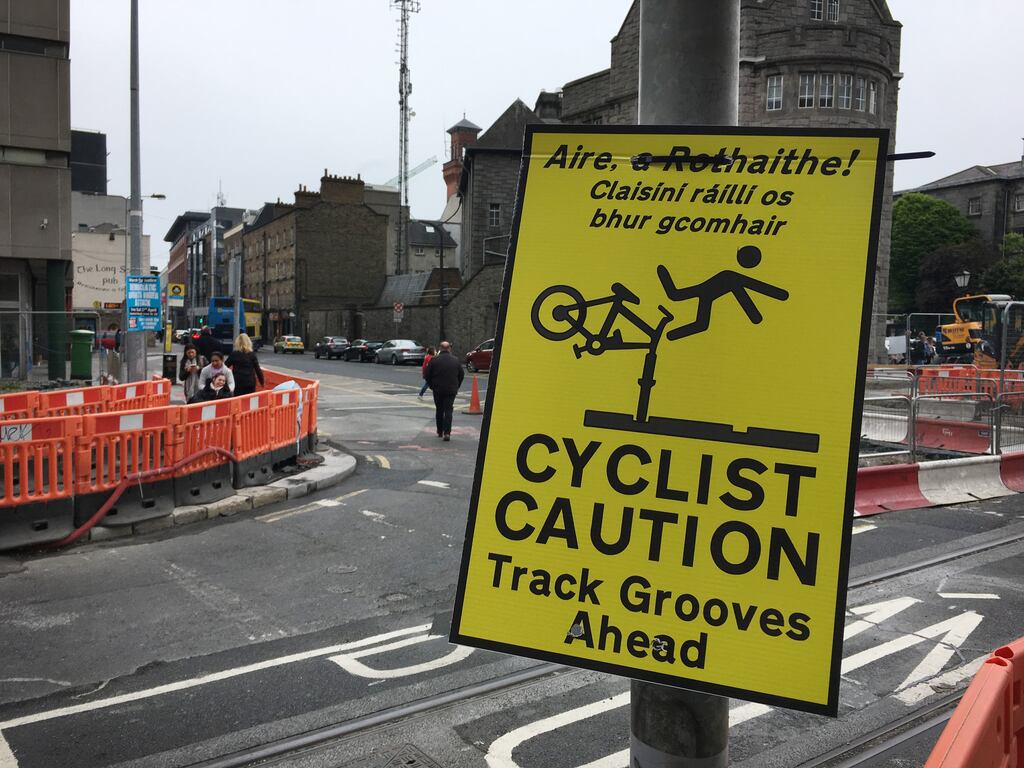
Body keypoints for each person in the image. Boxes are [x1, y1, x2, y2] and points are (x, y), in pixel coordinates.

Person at [424, 341, 463, 441]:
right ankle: (447, 433)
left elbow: (427, 375)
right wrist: (456, 386)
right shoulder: (456, 360)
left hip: (438, 389)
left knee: (439, 410)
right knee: (448, 410)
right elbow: (461, 375)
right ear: (449, 348)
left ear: (440, 348)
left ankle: (440, 431)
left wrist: (432, 386)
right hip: (451, 389)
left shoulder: (434, 360)